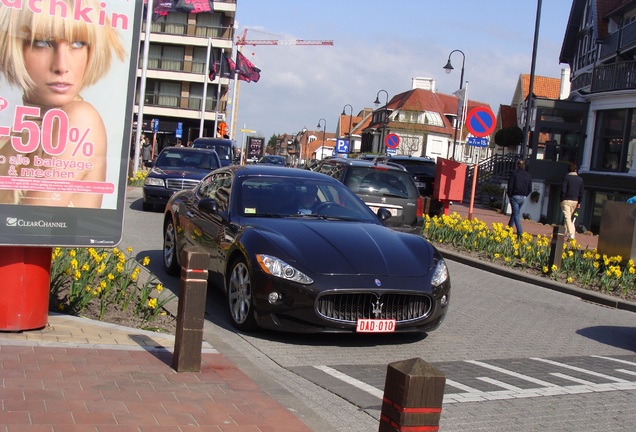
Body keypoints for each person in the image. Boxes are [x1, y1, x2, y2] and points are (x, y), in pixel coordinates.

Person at [0, 0, 125, 208]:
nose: (61, 66)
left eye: (77, 43)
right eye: (42, 42)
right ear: (12, 46)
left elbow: (32, 226)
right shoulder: (15, 134)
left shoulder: (79, 119)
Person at [506, 159, 533, 238]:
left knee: (516, 214)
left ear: (517, 165)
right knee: (515, 213)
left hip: (515, 196)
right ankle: (508, 229)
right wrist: (525, 195)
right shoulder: (528, 175)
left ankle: (520, 232)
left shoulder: (514, 174)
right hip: (523, 197)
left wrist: (510, 195)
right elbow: (530, 188)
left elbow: (510, 185)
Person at [560, 161, 585, 240]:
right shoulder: (580, 179)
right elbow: (581, 192)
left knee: (567, 218)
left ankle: (571, 235)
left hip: (566, 200)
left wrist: (561, 199)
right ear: (575, 170)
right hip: (575, 201)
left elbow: (563, 190)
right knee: (568, 217)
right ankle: (564, 233)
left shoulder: (566, 178)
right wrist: (579, 202)